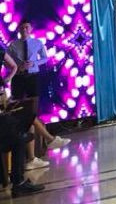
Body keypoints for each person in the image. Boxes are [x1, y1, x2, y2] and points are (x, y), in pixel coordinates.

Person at [6, 20, 71, 154]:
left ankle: (39, 146)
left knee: (33, 110)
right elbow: (7, 63)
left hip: (32, 77)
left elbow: (44, 58)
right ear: (18, 30)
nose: (24, 30)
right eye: (22, 28)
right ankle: (45, 141)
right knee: (18, 109)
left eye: (26, 27)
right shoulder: (13, 45)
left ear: (31, 29)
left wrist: (34, 63)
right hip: (18, 78)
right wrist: (16, 68)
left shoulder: (37, 43)